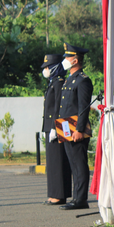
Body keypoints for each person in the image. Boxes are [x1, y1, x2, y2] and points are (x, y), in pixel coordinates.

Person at [58, 43, 93, 211]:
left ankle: (81, 199)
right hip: (66, 127)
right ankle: (76, 197)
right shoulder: (69, 80)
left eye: (67, 57)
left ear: (75, 60)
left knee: (79, 164)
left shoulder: (83, 80)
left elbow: (83, 108)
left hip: (75, 129)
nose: (64, 59)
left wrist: (79, 129)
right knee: (73, 163)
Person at [41, 52, 72, 205]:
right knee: (53, 162)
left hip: (56, 127)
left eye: (48, 67)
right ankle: (54, 193)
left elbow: (59, 106)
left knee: (58, 162)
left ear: (55, 68)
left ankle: (59, 195)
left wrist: (54, 126)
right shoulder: (53, 82)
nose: (45, 69)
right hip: (50, 127)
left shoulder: (59, 82)